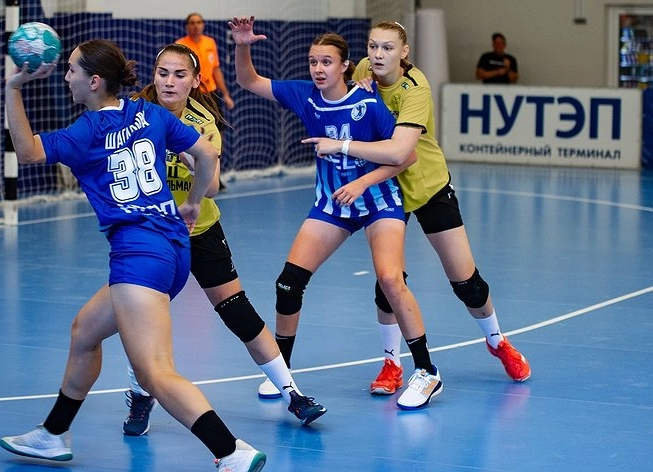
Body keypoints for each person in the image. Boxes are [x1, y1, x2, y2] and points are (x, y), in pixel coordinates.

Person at [0, 39, 266, 471]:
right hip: (173, 249)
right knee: (85, 331)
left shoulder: (85, 132)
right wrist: (194, 202)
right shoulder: (150, 113)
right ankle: (53, 433)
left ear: (94, 81)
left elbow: (27, 151)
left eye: (71, 70)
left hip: (138, 254)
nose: (66, 77)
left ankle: (232, 451)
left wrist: (13, 87)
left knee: (155, 373)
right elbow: (206, 154)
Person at [230, 16, 441, 411]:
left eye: (327, 62)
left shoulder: (367, 104)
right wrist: (243, 45)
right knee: (288, 283)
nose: (319, 69)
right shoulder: (305, 96)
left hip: (378, 201)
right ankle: (282, 373)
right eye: (313, 62)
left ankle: (427, 371)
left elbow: (407, 156)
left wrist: (362, 183)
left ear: (345, 66)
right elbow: (249, 81)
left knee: (390, 279)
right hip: (332, 205)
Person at [117, 43, 325, 438]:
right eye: (163, 73)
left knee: (237, 310)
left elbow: (211, 186)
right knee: (142, 318)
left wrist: (187, 151)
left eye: (180, 75)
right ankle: (140, 394)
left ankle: (292, 393)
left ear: (196, 81)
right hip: (150, 235)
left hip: (199, 229)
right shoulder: (134, 116)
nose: (169, 81)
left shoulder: (202, 122)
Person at [343, 21, 531, 395]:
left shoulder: (416, 88)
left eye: (387, 48)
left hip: (427, 185)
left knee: (467, 284)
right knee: (388, 281)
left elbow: (400, 151)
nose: (378, 55)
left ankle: (497, 341)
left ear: (404, 52)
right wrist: (353, 90)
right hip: (387, 190)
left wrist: (344, 147)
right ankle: (391, 363)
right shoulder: (364, 70)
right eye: (373, 47)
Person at [177, 12, 235, 111]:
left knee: (215, 119)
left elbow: (215, 69)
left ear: (203, 25)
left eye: (199, 22)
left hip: (210, 92)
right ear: (187, 26)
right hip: (191, 93)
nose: (196, 26)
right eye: (192, 23)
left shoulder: (210, 42)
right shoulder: (180, 45)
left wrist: (225, 94)